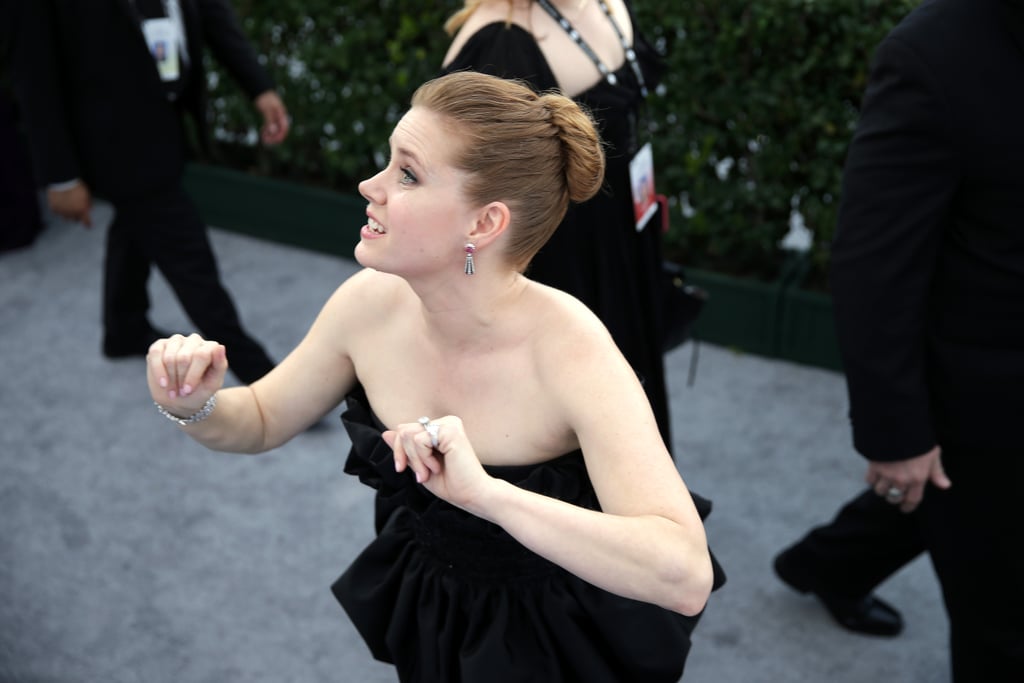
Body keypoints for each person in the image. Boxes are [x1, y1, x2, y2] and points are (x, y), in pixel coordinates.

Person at [145, 71, 721, 682]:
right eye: (387, 164)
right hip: (435, 609)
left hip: (561, 636)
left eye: (407, 174)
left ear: (483, 225)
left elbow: (684, 574)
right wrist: (191, 403)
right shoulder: (369, 305)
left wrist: (487, 496)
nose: (370, 185)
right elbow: (260, 419)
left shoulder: (571, 351)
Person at [773, 0, 1024, 678]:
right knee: (1005, 625)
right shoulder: (934, 53)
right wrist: (896, 433)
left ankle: (825, 562)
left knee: (935, 501)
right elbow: (872, 263)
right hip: (987, 400)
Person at [440, 0, 678, 453]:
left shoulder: (609, 6)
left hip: (622, 243)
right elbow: (468, 209)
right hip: (562, 269)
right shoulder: (501, 42)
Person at [11, 0, 289, 384]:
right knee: (189, 257)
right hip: (113, 141)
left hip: (166, 120)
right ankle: (266, 380)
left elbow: (210, 14)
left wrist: (259, 87)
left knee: (135, 226)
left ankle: (123, 328)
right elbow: (34, 73)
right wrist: (60, 177)